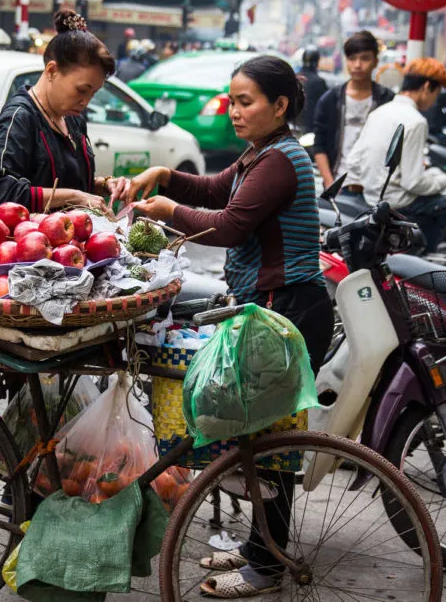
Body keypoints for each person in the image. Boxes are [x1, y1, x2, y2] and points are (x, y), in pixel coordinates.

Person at [110, 56, 331, 597]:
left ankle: (266, 566)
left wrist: (164, 212)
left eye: (246, 101)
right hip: (271, 306)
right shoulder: (262, 153)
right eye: (231, 100)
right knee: (258, 433)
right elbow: (213, 190)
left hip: (286, 310)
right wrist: (163, 177)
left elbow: (229, 227)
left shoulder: (281, 160)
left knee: (271, 441)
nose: (234, 112)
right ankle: (260, 547)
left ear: (279, 106)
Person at [0, 10, 116, 214]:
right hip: (29, 241)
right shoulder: (20, 117)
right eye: (81, 90)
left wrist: (103, 185)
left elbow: (65, 180)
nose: (85, 101)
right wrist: (75, 197)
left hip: (69, 240)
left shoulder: (74, 120)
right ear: (52, 71)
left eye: (93, 93)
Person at [347, 58, 446, 253]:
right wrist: (445, 181)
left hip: (373, 200)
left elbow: (354, 161)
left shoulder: (379, 113)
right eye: (436, 93)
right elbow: (412, 183)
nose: (435, 99)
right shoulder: (416, 121)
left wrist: (441, 178)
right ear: (427, 87)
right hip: (401, 204)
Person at [311, 30, 393, 189]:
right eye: (352, 58)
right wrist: (330, 182)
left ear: (376, 61)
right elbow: (319, 144)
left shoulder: (386, 99)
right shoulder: (330, 100)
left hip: (376, 186)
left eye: (365, 58)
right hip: (339, 184)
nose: (357, 65)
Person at [295, 46, 326, 135]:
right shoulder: (319, 82)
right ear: (317, 62)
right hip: (310, 128)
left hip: (293, 125)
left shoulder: (295, 77)